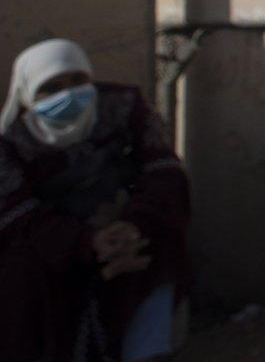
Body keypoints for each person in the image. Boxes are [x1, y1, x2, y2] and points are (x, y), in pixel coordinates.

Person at [1, 39, 190, 362]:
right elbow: (17, 214)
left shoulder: (124, 109)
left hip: (125, 225)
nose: (68, 95)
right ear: (29, 96)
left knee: (157, 247)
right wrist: (88, 242)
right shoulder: (13, 145)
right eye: (52, 87)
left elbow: (164, 171)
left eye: (77, 81)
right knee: (22, 270)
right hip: (59, 244)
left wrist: (132, 225)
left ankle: (148, 351)